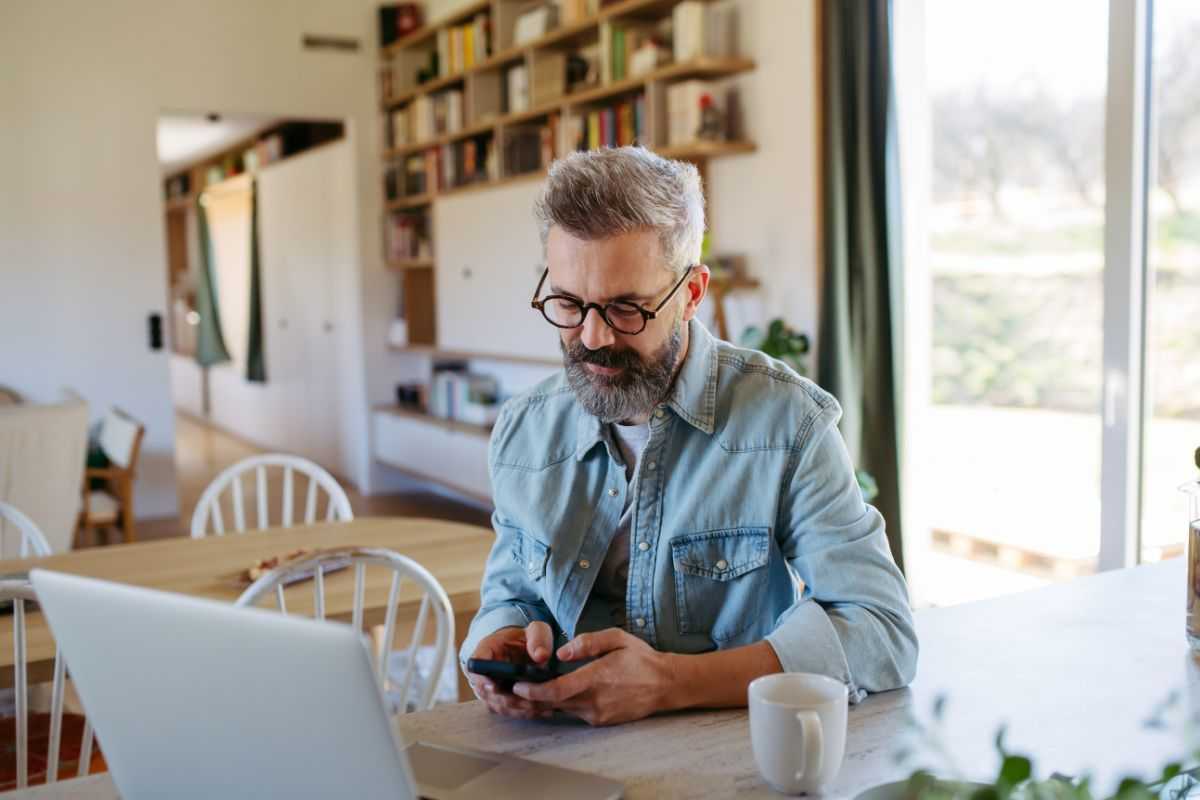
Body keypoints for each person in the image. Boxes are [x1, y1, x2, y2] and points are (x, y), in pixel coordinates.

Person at [460, 146, 917, 726]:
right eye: (570, 304)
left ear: (692, 294)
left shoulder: (786, 423)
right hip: (552, 754)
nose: (593, 337)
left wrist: (670, 684)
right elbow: (511, 593)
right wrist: (498, 637)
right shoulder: (524, 431)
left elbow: (882, 630)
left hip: (725, 759)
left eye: (627, 308)